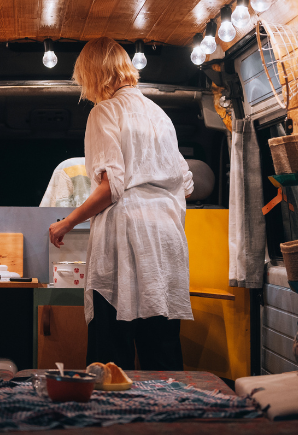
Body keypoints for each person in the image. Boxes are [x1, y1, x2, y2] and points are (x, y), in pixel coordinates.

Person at [48, 37, 194, 371]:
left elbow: (110, 187)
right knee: (163, 349)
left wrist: (66, 223)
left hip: (125, 240)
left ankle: (108, 419)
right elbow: (186, 184)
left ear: (91, 73)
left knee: (111, 352)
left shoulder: (105, 111)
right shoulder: (160, 116)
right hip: (167, 240)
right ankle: (174, 418)